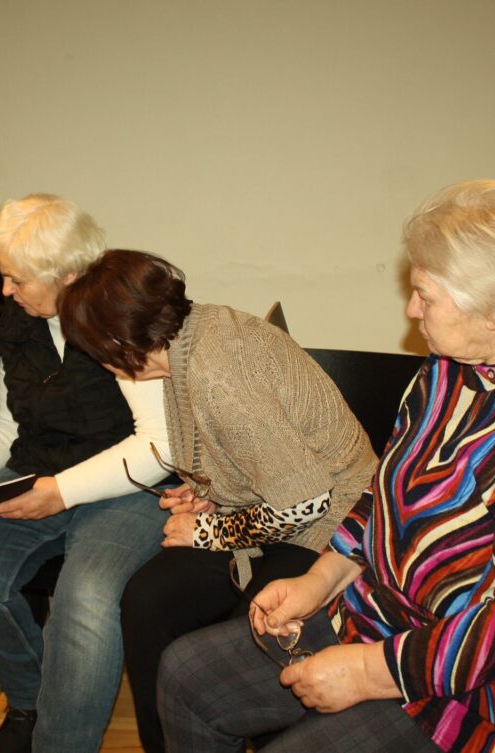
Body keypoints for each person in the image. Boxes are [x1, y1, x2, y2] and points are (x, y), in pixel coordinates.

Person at [155, 179, 495, 753]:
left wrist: (368, 673)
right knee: (185, 677)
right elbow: (384, 494)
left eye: (425, 296)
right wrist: (320, 580)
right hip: (385, 618)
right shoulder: (451, 367)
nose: (412, 311)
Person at [58, 249, 379, 752]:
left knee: (233, 649)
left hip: (334, 524)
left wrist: (206, 532)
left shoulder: (216, 372)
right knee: (147, 600)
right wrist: (210, 491)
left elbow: (306, 502)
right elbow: (248, 451)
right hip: (270, 510)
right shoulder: (185, 341)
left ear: (119, 345)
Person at [0, 195, 171, 753]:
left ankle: (61, 742)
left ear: (66, 274)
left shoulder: (123, 314)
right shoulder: (18, 321)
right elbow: (7, 423)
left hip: (132, 484)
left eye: (16, 279)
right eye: (2, 277)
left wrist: (61, 493)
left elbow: (160, 446)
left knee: (86, 597)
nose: (6, 290)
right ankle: (34, 699)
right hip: (40, 469)